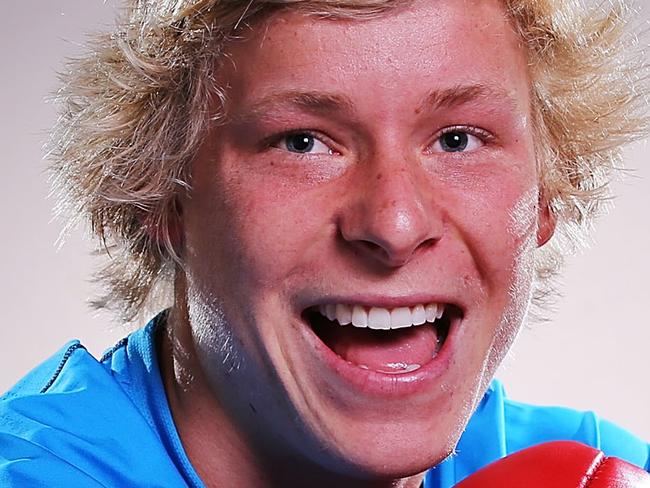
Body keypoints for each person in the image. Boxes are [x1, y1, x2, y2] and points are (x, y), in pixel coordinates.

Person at [1, 0, 649, 486]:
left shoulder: (578, 460)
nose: (394, 225)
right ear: (165, 199)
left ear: (545, 197)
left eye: (457, 139)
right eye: (302, 142)